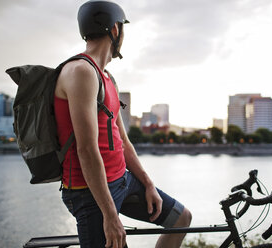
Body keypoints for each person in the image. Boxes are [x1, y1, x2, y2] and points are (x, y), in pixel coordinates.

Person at [54, 1, 191, 247]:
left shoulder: (107, 79)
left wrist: (148, 183)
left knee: (181, 218)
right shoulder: (80, 72)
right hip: (90, 193)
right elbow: (86, 149)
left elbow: (123, 142)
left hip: (122, 181)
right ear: (115, 29)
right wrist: (109, 216)